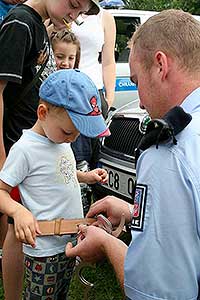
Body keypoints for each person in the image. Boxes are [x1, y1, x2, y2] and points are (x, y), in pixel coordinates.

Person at [65, 9, 200, 300]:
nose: (139, 99)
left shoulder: (170, 152)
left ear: (161, 65)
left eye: (137, 82)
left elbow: (160, 292)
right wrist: (136, 212)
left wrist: (106, 245)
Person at [0, 0, 100, 298]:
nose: (75, 16)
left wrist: (85, 177)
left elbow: (63, 173)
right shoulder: (20, 23)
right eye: (73, 4)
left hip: (61, 239)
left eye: (81, 12)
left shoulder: (42, 27)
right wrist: (2, 155)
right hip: (16, 147)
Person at [70, 7, 116, 213]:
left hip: (95, 93)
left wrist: (109, 96)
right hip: (69, 92)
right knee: (77, 158)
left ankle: (97, 213)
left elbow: (108, 61)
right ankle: (77, 211)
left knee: (97, 156)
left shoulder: (105, 17)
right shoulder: (62, 10)